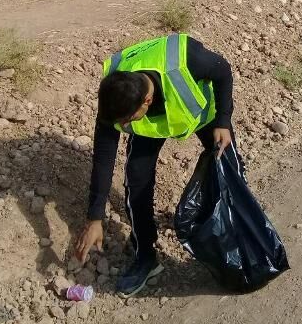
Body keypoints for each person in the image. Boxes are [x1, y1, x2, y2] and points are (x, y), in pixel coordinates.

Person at [74, 34, 239, 298]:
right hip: (154, 128)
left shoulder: (188, 60)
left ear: (146, 103)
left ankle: (238, 233)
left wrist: (223, 120)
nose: (124, 127)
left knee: (227, 169)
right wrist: (95, 217)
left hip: (202, 113)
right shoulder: (117, 91)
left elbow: (223, 71)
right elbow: (103, 159)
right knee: (136, 183)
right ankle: (146, 258)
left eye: (128, 121)